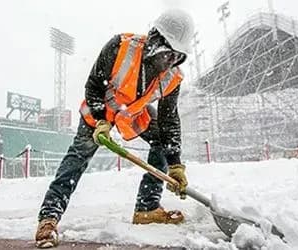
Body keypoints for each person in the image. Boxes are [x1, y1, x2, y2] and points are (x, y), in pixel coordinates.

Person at [34, 9, 196, 248]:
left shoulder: (172, 77)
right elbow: (93, 85)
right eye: (167, 54)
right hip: (99, 112)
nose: (169, 62)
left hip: (131, 115)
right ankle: (49, 218)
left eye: (176, 57)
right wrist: (100, 120)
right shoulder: (121, 46)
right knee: (77, 158)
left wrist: (175, 164)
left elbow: (169, 119)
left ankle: (147, 207)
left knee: (162, 140)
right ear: (154, 40)